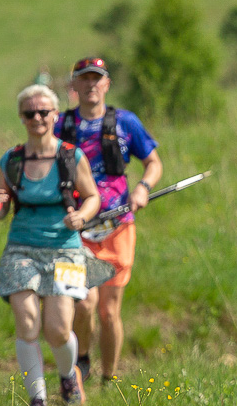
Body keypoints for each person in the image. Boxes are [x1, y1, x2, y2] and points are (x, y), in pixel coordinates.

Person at [0, 84, 115, 406]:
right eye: (30, 113)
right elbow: (1, 209)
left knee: (58, 330)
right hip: (22, 249)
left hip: (65, 249)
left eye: (44, 112)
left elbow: (92, 197)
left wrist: (82, 216)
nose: (37, 118)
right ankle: (38, 400)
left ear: (55, 115)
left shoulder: (71, 156)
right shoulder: (11, 160)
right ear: (21, 117)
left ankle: (68, 375)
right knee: (28, 322)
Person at [57, 57, 162, 385]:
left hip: (117, 228)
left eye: (96, 78)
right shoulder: (59, 125)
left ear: (107, 84)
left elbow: (153, 162)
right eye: (84, 79)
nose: (91, 85)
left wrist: (143, 188)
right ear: (74, 85)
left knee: (109, 311)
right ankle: (81, 362)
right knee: (83, 303)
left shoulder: (126, 122)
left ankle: (109, 378)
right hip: (75, 230)